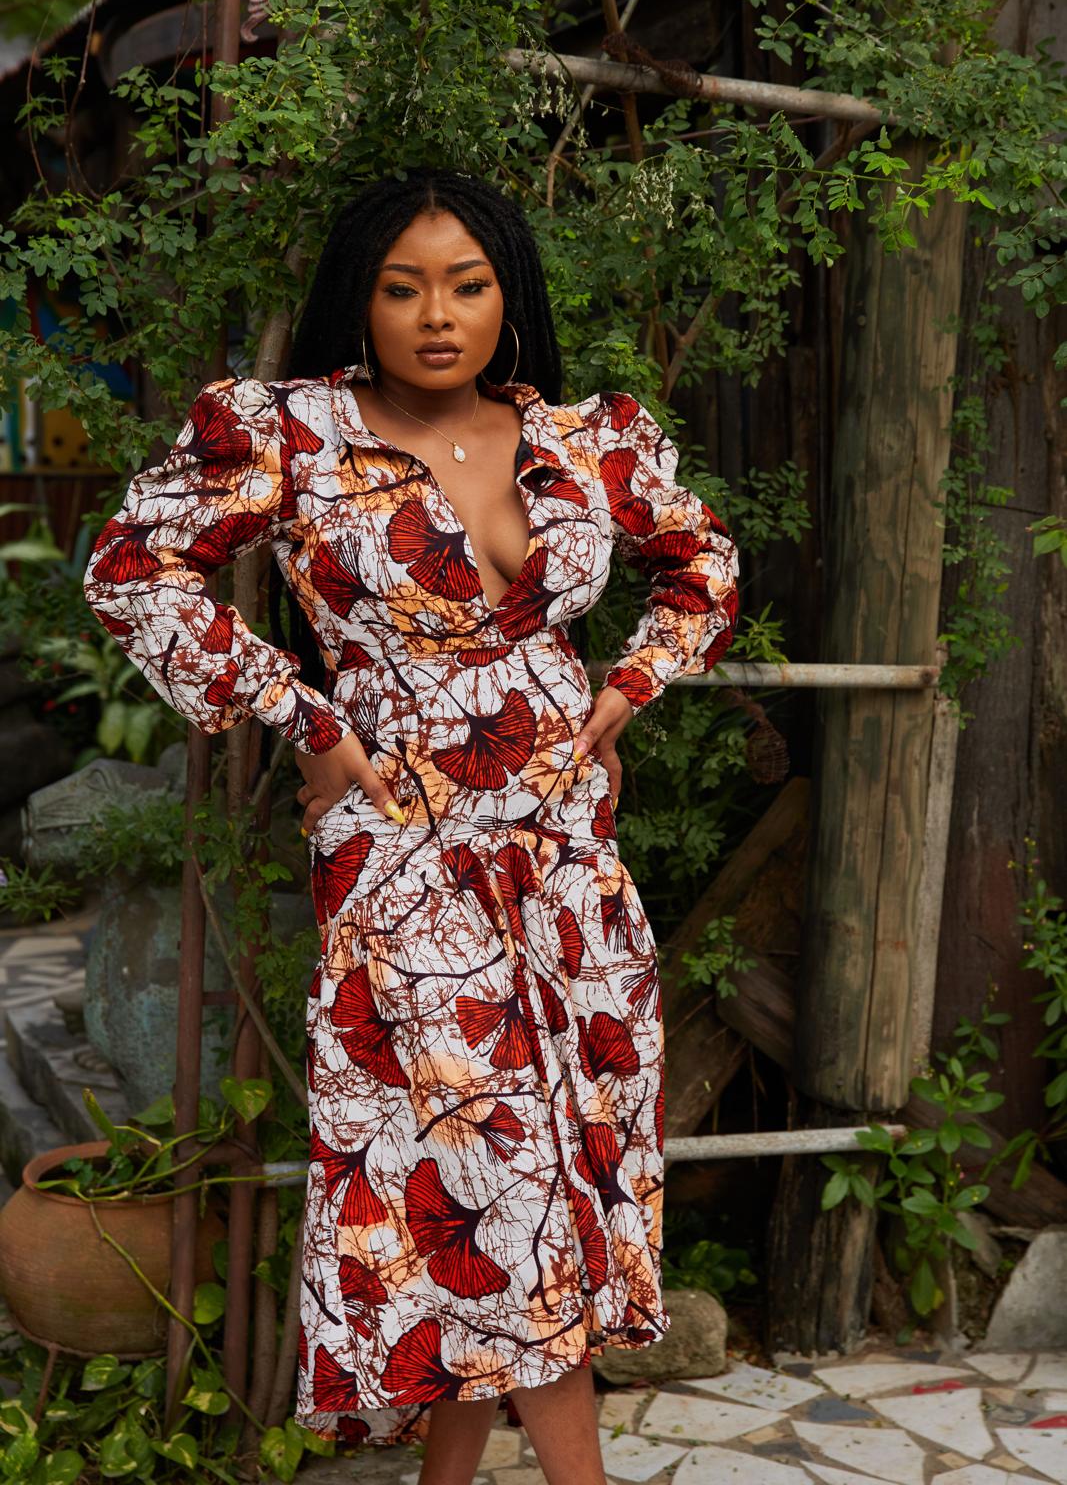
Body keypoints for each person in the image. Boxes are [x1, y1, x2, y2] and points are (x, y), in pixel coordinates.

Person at [82, 167, 740, 1485]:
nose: (438, 315)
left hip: (568, 865)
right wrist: (303, 716)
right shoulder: (293, 436)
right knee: (494, 1187)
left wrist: (629, 684)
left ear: (508, 295)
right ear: (361, 300)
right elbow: (131, 569)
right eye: (403, 287)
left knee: (548, 1183)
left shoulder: (588, 439)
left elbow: (705, 565)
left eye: (467, 284)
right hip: (406, 866)